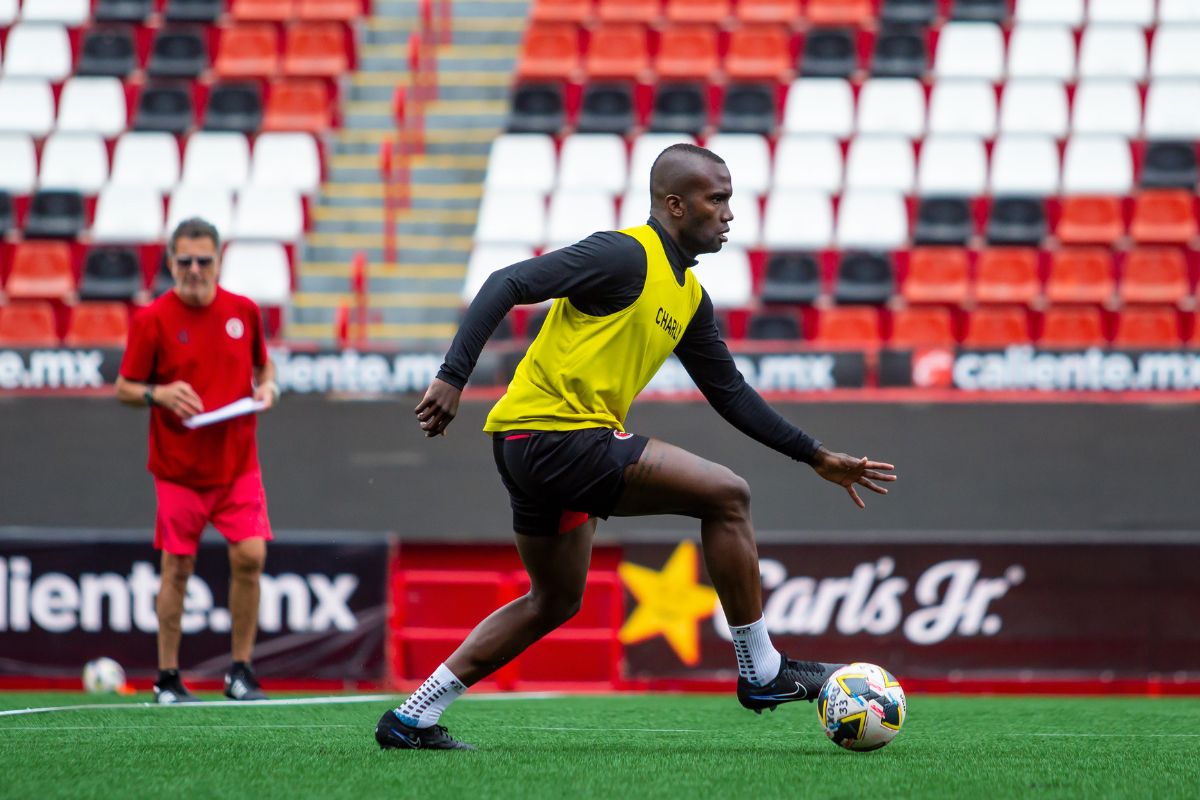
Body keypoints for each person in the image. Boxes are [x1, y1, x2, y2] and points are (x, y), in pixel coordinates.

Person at [375, 144, 897, 750]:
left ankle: (411, 717)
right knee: (728, 495)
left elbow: (729, 393)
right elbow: (507, 281)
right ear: (675, 205)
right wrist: (452, 375)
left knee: (554, 600)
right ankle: (763, 670)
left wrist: (815, 455)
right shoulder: (625, 254)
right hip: (559, 436)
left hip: (526, 445)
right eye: (717, 199)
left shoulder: (689, 298)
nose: (729, 213)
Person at [116, 217, 279, 704]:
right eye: (183, 260)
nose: (193, 269)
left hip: (236, 464)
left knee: (251, 556)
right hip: (179, 469)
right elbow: (124, 387)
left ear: (217, 260)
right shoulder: (152, 319)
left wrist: (267, 385)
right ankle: (168, 676)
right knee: (177, 568)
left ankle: (241, 672)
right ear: (169, 262)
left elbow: (262, 365)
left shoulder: (243, 311)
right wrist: (158, 393)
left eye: (202, 260)